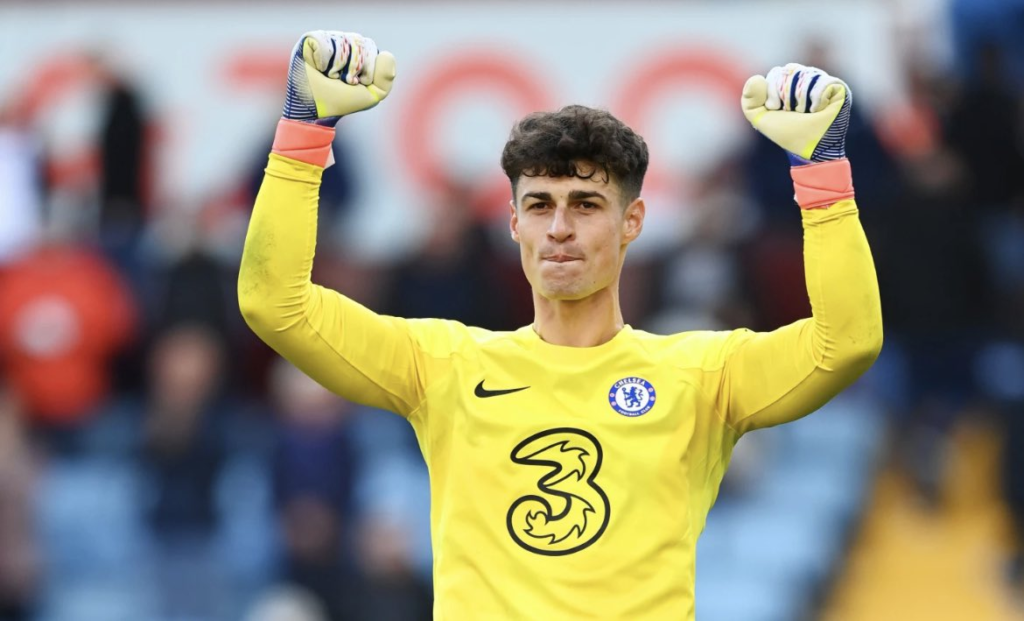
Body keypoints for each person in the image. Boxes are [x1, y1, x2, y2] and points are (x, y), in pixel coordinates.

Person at [238, 31, 882, 620]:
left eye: (587, 205)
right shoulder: (443, 365)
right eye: (539, 205)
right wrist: (304, 131)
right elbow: (275, 302)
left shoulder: (703, 376)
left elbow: (847, 342)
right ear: (514, 224)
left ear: (632, 222)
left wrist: (821, 173)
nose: (560, 229)